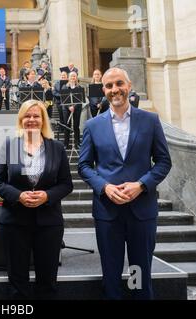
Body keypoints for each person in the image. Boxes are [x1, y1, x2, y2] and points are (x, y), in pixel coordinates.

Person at [78, 68, 172, 299]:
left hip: (142, 210)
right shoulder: (93, 125)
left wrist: (140, 185)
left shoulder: (150, 120)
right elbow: (84, 166)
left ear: (129, 86)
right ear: (104, 91)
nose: (114, 90)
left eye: (119, 84)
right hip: (108, 212)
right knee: (111, 272)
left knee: (139, 271)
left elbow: (163, 161)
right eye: (109, 86)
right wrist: (105, 187)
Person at [0, 100, 73, 299]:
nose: (32, 120)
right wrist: (18, 196)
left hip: (49, 223)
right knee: (17, 282)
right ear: (21, 119)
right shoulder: (10, 145)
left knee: (47, 281)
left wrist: (48, 196)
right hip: (14, 222)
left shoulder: (56, 148)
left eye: (36, 116)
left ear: (43, 119)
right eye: (27, 116)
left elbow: (66, 184)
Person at [61, 71, 83, 149]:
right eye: (71, 76)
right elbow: (63, 99)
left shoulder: (79, 87)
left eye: (74, 76)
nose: (73, 78)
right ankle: (65, 144)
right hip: (66, 109)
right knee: (67, 125)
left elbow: (80, 99)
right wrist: (69, 107)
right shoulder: (64, 87)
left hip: (77, 108)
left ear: (76, 78)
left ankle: (77, 143)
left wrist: (74, 106)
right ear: (68, 78)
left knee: (76, 126)